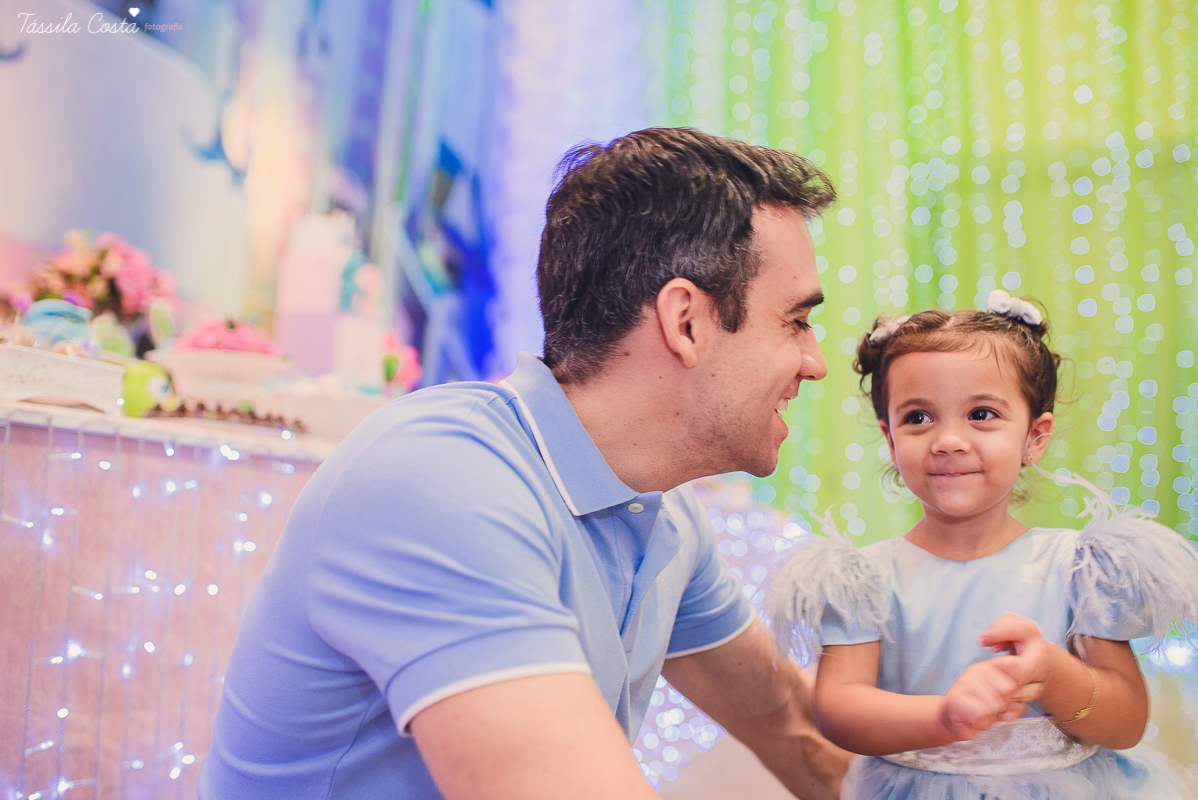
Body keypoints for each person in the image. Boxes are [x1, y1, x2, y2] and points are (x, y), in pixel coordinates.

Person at [200, 128, 853, 799]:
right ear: (686, 322)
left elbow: (797, 733)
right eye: (796, 322)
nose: (815, 362)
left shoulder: (665, 513)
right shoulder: (444, 480)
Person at [766, 290, 1198, 799]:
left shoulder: (1079, 569)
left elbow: (1126, 723)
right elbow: (840, 710)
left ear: (1034, 438)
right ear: (890, 440)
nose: (948, 440)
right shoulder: (862, 577)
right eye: (918, 418)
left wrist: (1055, 675)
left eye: (982, 414)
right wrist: (943, 716)